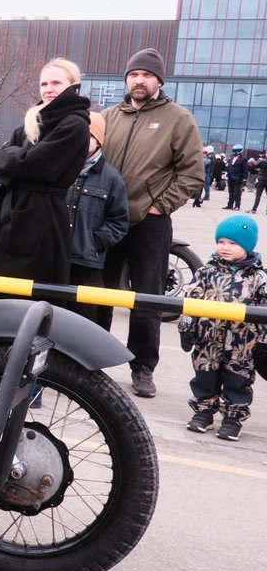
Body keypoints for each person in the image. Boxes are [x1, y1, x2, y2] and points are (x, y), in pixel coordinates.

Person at [99, 47, 204, 398]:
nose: (138, 80)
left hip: (150, 221)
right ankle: (90, 357)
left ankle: (143, 366)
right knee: (98, 292)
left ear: (159, 80)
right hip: (108, 219)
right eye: (133, 74)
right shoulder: (110, 116)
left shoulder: (178, 119)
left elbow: (192, 173)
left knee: (147, 297)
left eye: (146, 75)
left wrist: (161, 206)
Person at [0, 57, 91, 285]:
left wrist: (12, 159)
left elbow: (34, 165)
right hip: (13, 213)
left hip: (42, 219)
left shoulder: (75, 124)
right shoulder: (35, 118)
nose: (48, 89)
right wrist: (14, 160)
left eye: (56, 83)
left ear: (73, 85)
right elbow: (3, 157)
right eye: (44, 84)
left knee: (30, 287)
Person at [178, 214, 267, 441]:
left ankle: (233, 418)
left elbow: (265, 311)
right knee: (204, 376)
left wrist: (264, 341)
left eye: (232, 243)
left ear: (248, 246)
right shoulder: (207, 272)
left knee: (239, 380)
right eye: (221, 242)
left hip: (242, 344)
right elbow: (191, 299)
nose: (225, 247)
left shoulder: (259, 278)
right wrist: (187, 325)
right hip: (208, 339)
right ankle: (204, 411)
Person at [64, 112, 129, 324]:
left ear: (99, 140)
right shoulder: (60, 170)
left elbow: (119, 221)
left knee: (84, 322)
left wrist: (96, 242)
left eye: (88, 135)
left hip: (88, 265)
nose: (82, 141)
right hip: (57, 261)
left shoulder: (112, 179)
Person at [224, 144, 248, 210]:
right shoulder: (231, 158)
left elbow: (245, 170)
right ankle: (230, 205)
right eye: (234, 150)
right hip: (230, 177)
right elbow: (229, 166)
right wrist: (227, 173)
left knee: (237, 193)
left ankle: (237, 206)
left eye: (235, 151)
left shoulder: (243, 159)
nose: (234, 152)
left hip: (238, 178)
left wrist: (244, 178)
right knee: (230, 191)